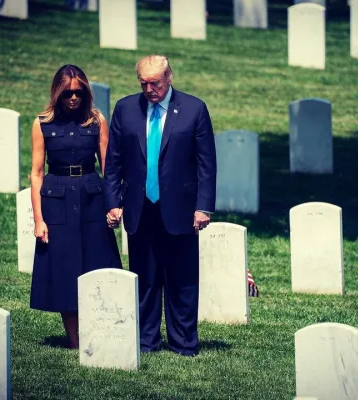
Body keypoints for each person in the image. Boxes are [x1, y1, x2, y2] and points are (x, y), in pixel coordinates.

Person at [103, 55, 217, 356]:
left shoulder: (194, 109)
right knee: (145, 278)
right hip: (140, 207)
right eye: (143, 83)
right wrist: (113, 202)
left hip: (180, 208)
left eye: (155, 83)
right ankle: (145, 341)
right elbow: (113, 161)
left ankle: (184, 342)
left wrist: (203, 207)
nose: (149, 89)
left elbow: (206, 163)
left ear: (169, 78)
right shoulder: (126, 109)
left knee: (182, 280)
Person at [30, 64, 122, 349]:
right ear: (57, 93)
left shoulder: (96, 121)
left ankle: (104, 330)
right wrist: (38, 220)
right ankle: (75, 340)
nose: (73, 98)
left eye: (78, 93)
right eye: (67, 93)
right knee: (65, 268)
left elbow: (108, 167)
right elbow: (36, 173)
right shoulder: (42, 124)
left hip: (91, 196)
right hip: (57, 200)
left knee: (97, 263)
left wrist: (113, 205)